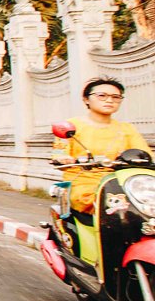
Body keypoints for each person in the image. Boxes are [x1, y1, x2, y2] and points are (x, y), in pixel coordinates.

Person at [52, 77, 152, 218]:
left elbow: (145, 154)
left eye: (115, 97)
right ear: (86, 99)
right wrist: (63, 159)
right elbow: (59, 152)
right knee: (109, 204)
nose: (109, 100)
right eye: (102, 96)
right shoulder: (69, 126)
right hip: (84, 181)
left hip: (121, 181)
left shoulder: (127, 129)